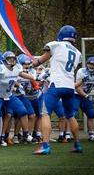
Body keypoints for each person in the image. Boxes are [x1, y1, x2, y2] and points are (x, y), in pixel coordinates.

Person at [32, 25, 83, 155]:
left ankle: (45, 145)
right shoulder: (78, 53)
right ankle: (77, 144)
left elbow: (39, 62)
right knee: (70, 115)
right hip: (70, 87)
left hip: (56, 84)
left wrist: (31, 62)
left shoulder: (55, 45)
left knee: (45, 113)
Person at [0, 51, 37, 147]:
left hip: (9, 95)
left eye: (13, 59)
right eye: (10, 59)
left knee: (23, 112)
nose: (12, 61)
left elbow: (22, 75)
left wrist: (32, 77)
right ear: (4, 60)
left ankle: (26, 135)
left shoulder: (17, 68)